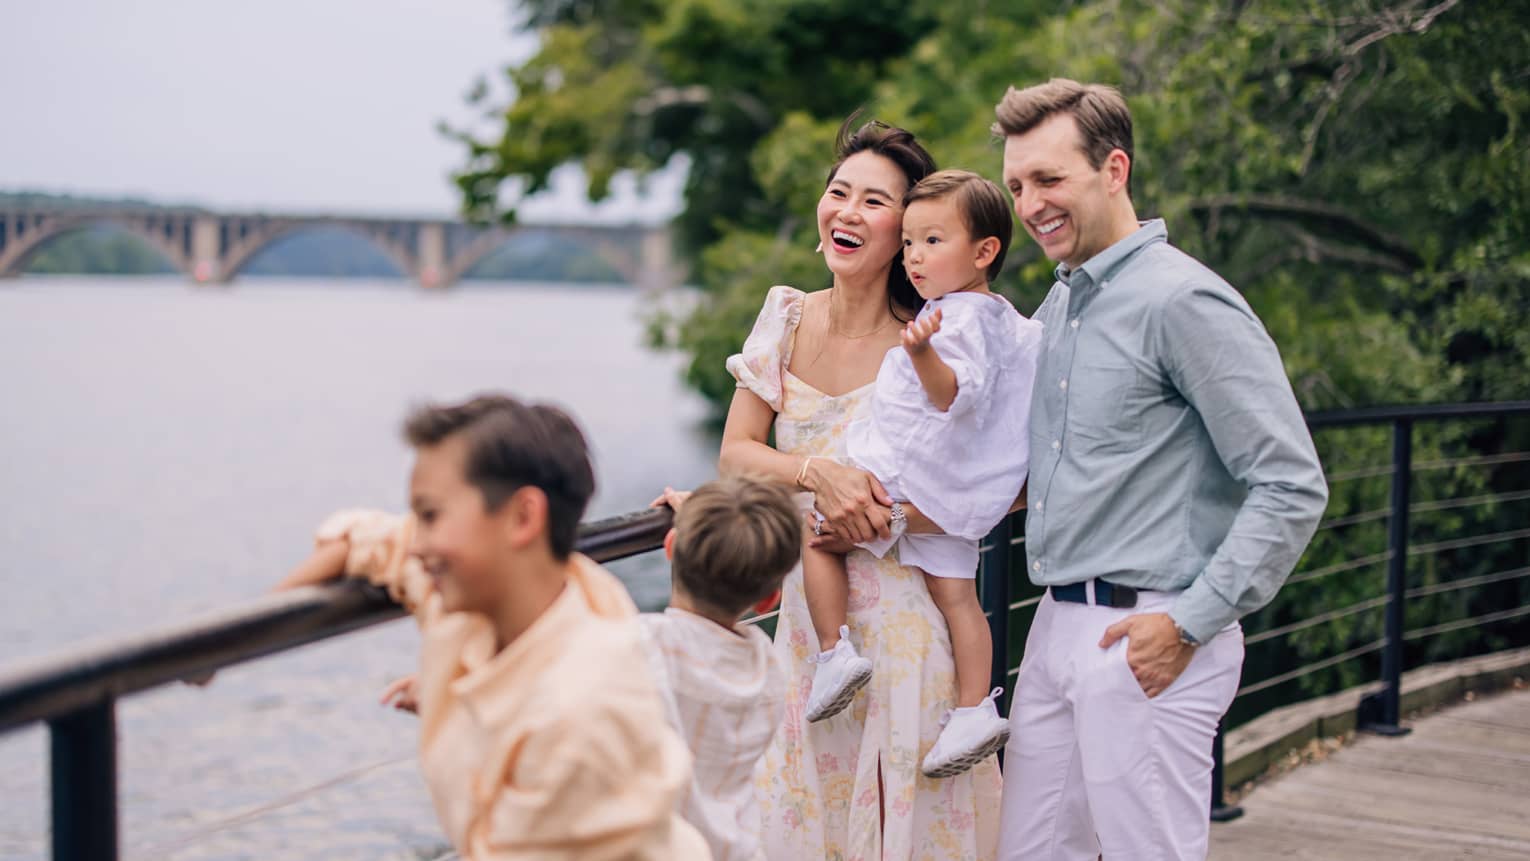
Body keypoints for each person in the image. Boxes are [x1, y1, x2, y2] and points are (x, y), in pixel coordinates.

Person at [991, 78, 1329, 859]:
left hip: (1152, 630)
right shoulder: (1060, 305)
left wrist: (1187, 623)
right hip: (1054, 626)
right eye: (1016, 186)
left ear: (1114, 170)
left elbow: (1290, 483)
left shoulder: (1184, 300)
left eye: (1048, 178)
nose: (1030, 204)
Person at [722, 117, 1002, 860]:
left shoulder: (936, 340)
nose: (847, 211)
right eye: (839, 192)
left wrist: (893, 516)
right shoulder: (786, 315)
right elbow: (736, 454)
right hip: (812, 635)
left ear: (908, 233)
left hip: (910, 627)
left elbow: (1004, 479)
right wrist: (818, 473)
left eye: (874, 201)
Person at [274, 394, 709, 860]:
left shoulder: (578, 715)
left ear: (523, 517)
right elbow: (375, 539)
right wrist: (270, 613)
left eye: (430, 515)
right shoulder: (487, 597)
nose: (417, 544)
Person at [798, 169, 1042, 780]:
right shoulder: (1003, 319)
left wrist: (919, 351)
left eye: (932, 241)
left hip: (909, 477)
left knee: (818, 536)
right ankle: (974, 710)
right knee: (958, 598)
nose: (914, 256)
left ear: (984, 252)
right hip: (953, 491)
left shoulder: (957, 318)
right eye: (909, 242)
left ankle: (832, 653)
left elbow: (951, 394)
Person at [642, 480, 798, 861]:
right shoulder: (767, 666)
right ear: (768, 601)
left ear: (669, 547)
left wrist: (697, 524)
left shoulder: (646, 645)